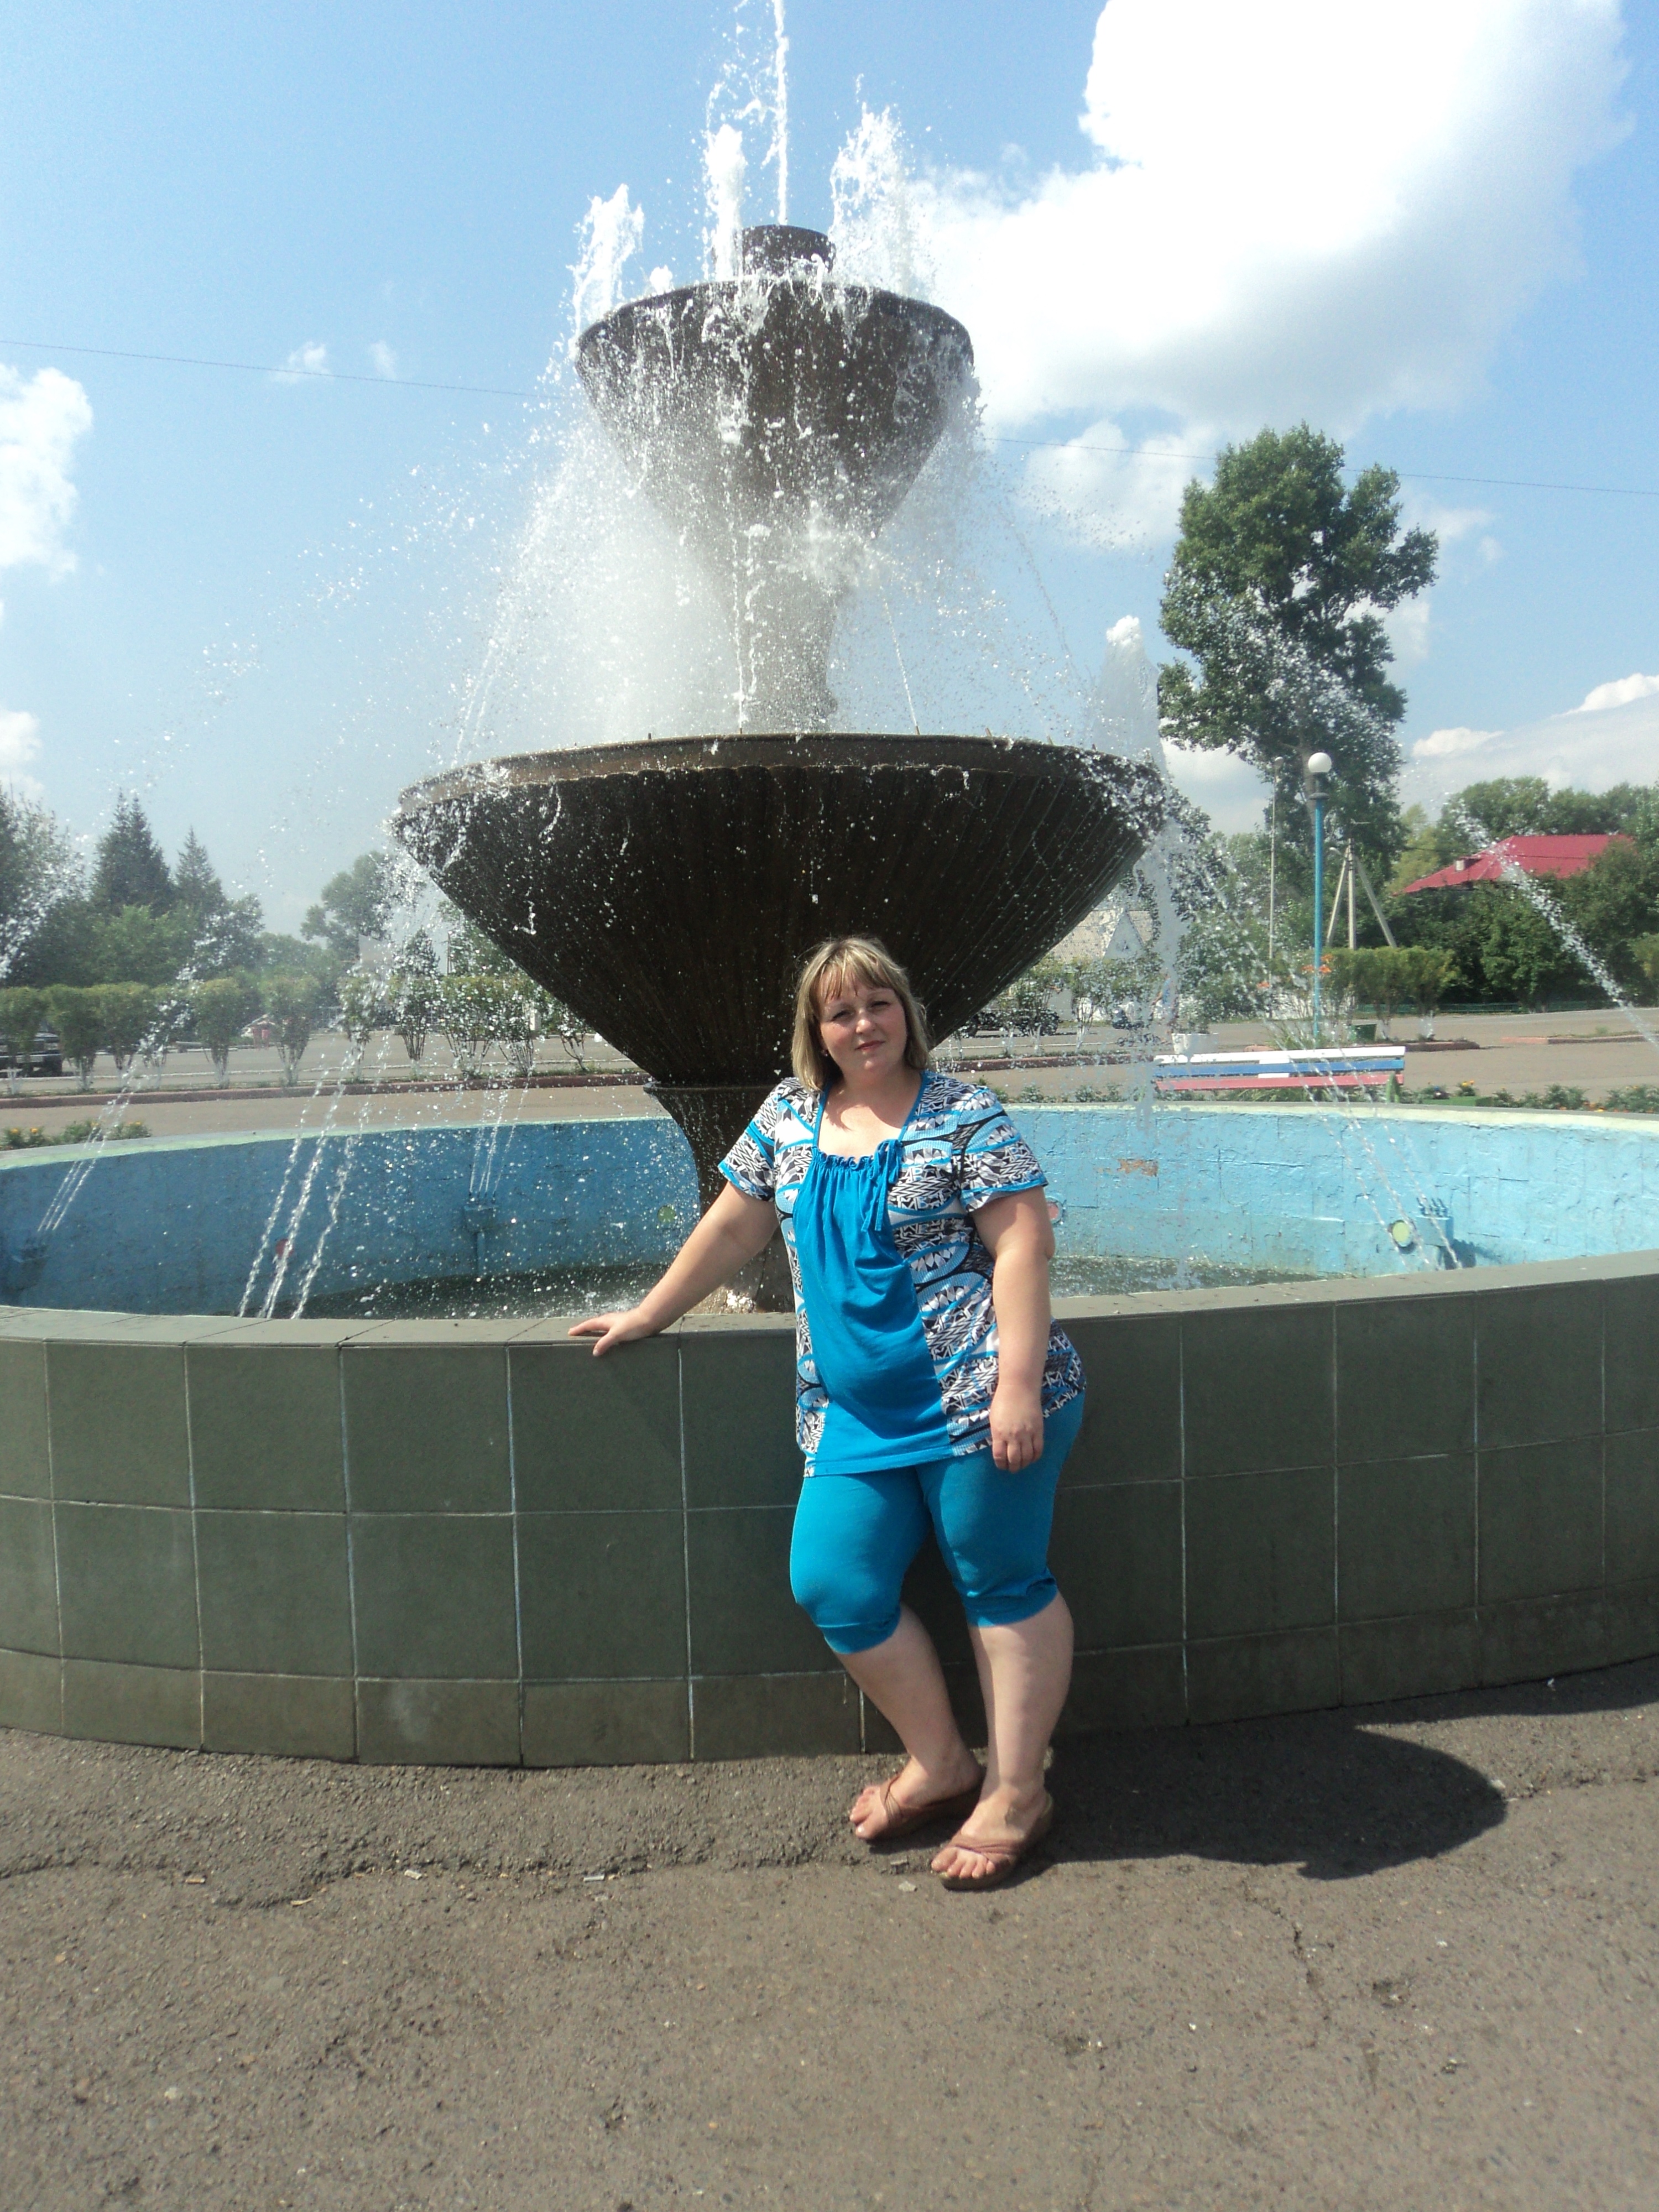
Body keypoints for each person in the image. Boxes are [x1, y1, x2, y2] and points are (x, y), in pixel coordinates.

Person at [571, 935, 1085, 1890]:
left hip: (977, 1398)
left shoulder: (965, 1113)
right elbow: (735, 1224)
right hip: (851, 1415)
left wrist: (1016, 1387)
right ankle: (943, 1764)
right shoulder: (789, 1116)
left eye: (878, 1004)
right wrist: (650, 1312)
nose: (863, 1024)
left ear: (906, 1013)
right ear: (818, 1030)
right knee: (834, 1583)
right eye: (841, 1011)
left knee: (1001, 1580)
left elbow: (1023, 1246)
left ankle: (1018, 1793)